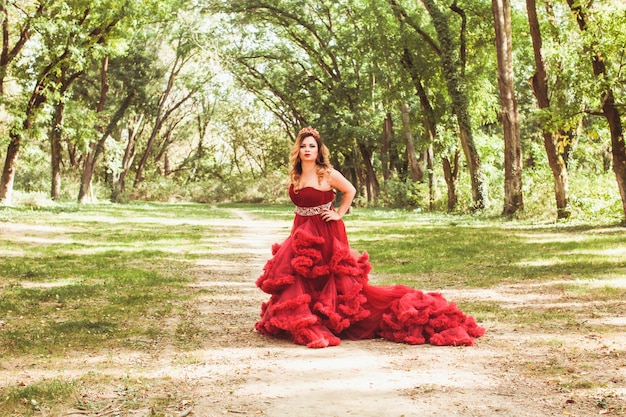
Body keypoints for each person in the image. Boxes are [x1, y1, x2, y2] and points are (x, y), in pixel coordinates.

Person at [254, 126, 485, 348]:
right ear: (298, 149)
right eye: (303, 146)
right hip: (302, 232)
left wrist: (339, 214)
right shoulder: (295, 175)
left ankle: (329, 319)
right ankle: (308, 316)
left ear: (318, 150)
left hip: (325, 231)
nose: (307, 150)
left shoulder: (327, 173)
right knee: (300, 276)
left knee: (329, 276)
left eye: (312, 146)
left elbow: (350, 190)